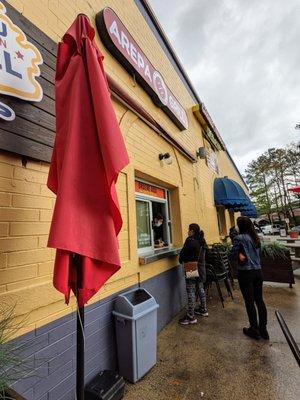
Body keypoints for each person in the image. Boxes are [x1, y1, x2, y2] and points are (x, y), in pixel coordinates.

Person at [230, 216, 269, 340]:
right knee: (259, 300)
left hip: (246, 273)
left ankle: (254, 329)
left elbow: (232, 255)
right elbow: (259, 255)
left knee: (249, 302)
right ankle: (263, 329)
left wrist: (239, 254)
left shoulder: (239, 238)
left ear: (240, 226)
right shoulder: (256, 237)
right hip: (258, 272)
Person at [178, 223, 208, 325]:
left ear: (192, 231)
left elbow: (183, 253)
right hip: (201, 268)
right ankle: (203, 309)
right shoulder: (201, 240)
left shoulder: (190, 240)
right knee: (200, 288)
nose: (187, 231)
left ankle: (191, 316)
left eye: (189, 229)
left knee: (190, 290)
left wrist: (180, 259)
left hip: (191, 268)